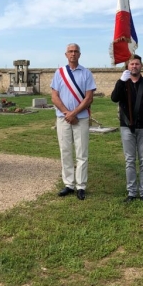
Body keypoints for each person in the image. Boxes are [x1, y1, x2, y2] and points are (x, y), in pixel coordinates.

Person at [110, 54, 143, 205]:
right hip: (127, 127)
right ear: (128, 66)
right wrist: (121, 81)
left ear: (141, 66)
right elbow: (114, 98)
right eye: (131, 64)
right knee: (130, 161)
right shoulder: (122, 82)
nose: (134, 66)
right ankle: (132, 192)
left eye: (137, 64)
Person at [50, 43, 96, 200]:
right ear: (66, 54)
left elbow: (89, 97)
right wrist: (66, 113)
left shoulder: (86, 73)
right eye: (70, 51)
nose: (73, 54)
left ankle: (81, 186)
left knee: (82, 152)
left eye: (76, 51)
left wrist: (74, 113)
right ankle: (69, 184)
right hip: (63, 118)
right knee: (65, 151)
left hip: (81, 118)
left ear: (80, 54)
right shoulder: (59, 73)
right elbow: (54, 96)